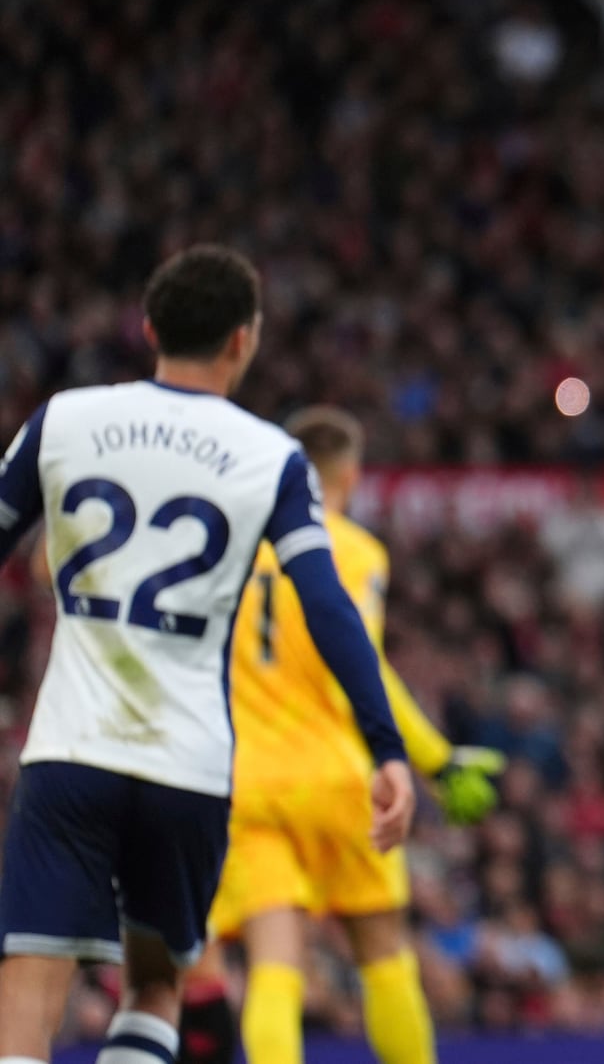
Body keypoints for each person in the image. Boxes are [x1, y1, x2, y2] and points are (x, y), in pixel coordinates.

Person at [0, 245, 414, 1064]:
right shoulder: (270, 456)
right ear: (243, 340)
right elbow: (327, 607)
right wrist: (386, 744)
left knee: (30, 975)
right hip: (187, 766)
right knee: (155, 981)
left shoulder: (65, 419)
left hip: (71, 751)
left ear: (149, 327)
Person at [181, 406, 505, 1064]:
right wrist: (436, 759)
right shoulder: (353, 551)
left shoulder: (235, 553)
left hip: (248, 782)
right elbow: (363, 665)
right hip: (337, 776)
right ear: (349, 475)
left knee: (276, 962)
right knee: (383, 952)